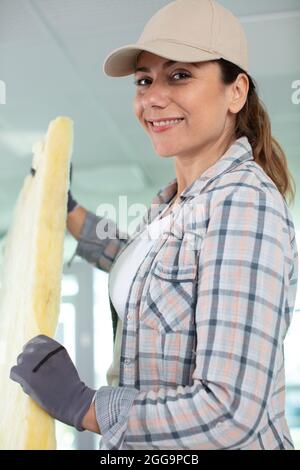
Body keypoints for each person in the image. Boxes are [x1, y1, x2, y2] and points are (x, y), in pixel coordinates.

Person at [10, 0, 298, 450]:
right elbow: (154, 275)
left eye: (179, 75)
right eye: (144, 80)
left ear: (236, 91)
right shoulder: (173, 204)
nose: (152, 97)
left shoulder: (244, 205)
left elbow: (230, 411)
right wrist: (67, 211)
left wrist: (84, 406)